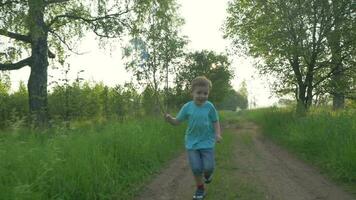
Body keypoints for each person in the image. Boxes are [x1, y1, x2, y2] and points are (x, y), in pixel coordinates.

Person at [165, 76, 222, 200]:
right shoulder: (187, 107)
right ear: (192, 93)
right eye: (199, 93)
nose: (202, 96)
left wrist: (217, 134)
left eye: (205, 93)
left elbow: (215, 121)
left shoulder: (210, 107)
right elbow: (177, 121)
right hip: (192, 143)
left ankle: (207, 176)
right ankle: (200, 188)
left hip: (207, 142)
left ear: (208, 93)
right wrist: (170, 119)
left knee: (208, 168)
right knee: (196, 168)